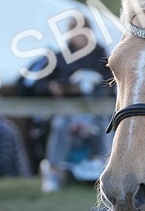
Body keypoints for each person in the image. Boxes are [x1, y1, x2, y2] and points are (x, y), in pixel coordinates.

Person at [16, 16, 115, 192]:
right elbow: (36, 84)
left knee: (105, 127)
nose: (78, 36)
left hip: (96, 114)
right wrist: (55, 87)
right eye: (74, 31)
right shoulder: (59, 57)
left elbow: (114, 84)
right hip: (66, 114)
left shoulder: (104, 58)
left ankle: (109, 174)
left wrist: (94, 85)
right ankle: (52, 172)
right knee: (60, 124)